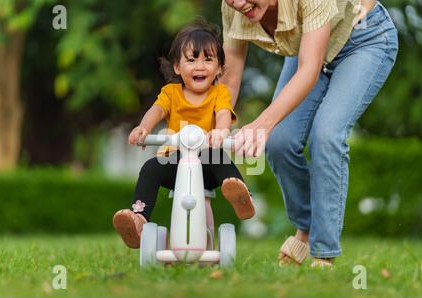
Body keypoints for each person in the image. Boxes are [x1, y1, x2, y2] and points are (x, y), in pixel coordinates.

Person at [219, 0, 398, 267]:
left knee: (326, 135)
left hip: (364, 39)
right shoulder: (232, 9)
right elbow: (228, 80)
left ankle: (322, 252)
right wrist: (216, 132)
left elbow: (309, 71)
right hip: (311, 44)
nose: (240, 4)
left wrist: (262, 124)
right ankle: (306, 227)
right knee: (279, 141)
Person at [113, 21, 255, 249]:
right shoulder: (171, 93)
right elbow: (156, 110)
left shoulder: (219, 93)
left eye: (208, 59)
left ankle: (239, 193)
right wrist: (144, 128)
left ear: (219, 68)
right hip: (176, 161)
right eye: (192, 59)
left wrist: (220, 131)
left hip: (207, 165)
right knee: (151, 168)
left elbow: (223, 114)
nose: (200, 66)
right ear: (177, 67)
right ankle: (139, 219)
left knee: (218, 157)